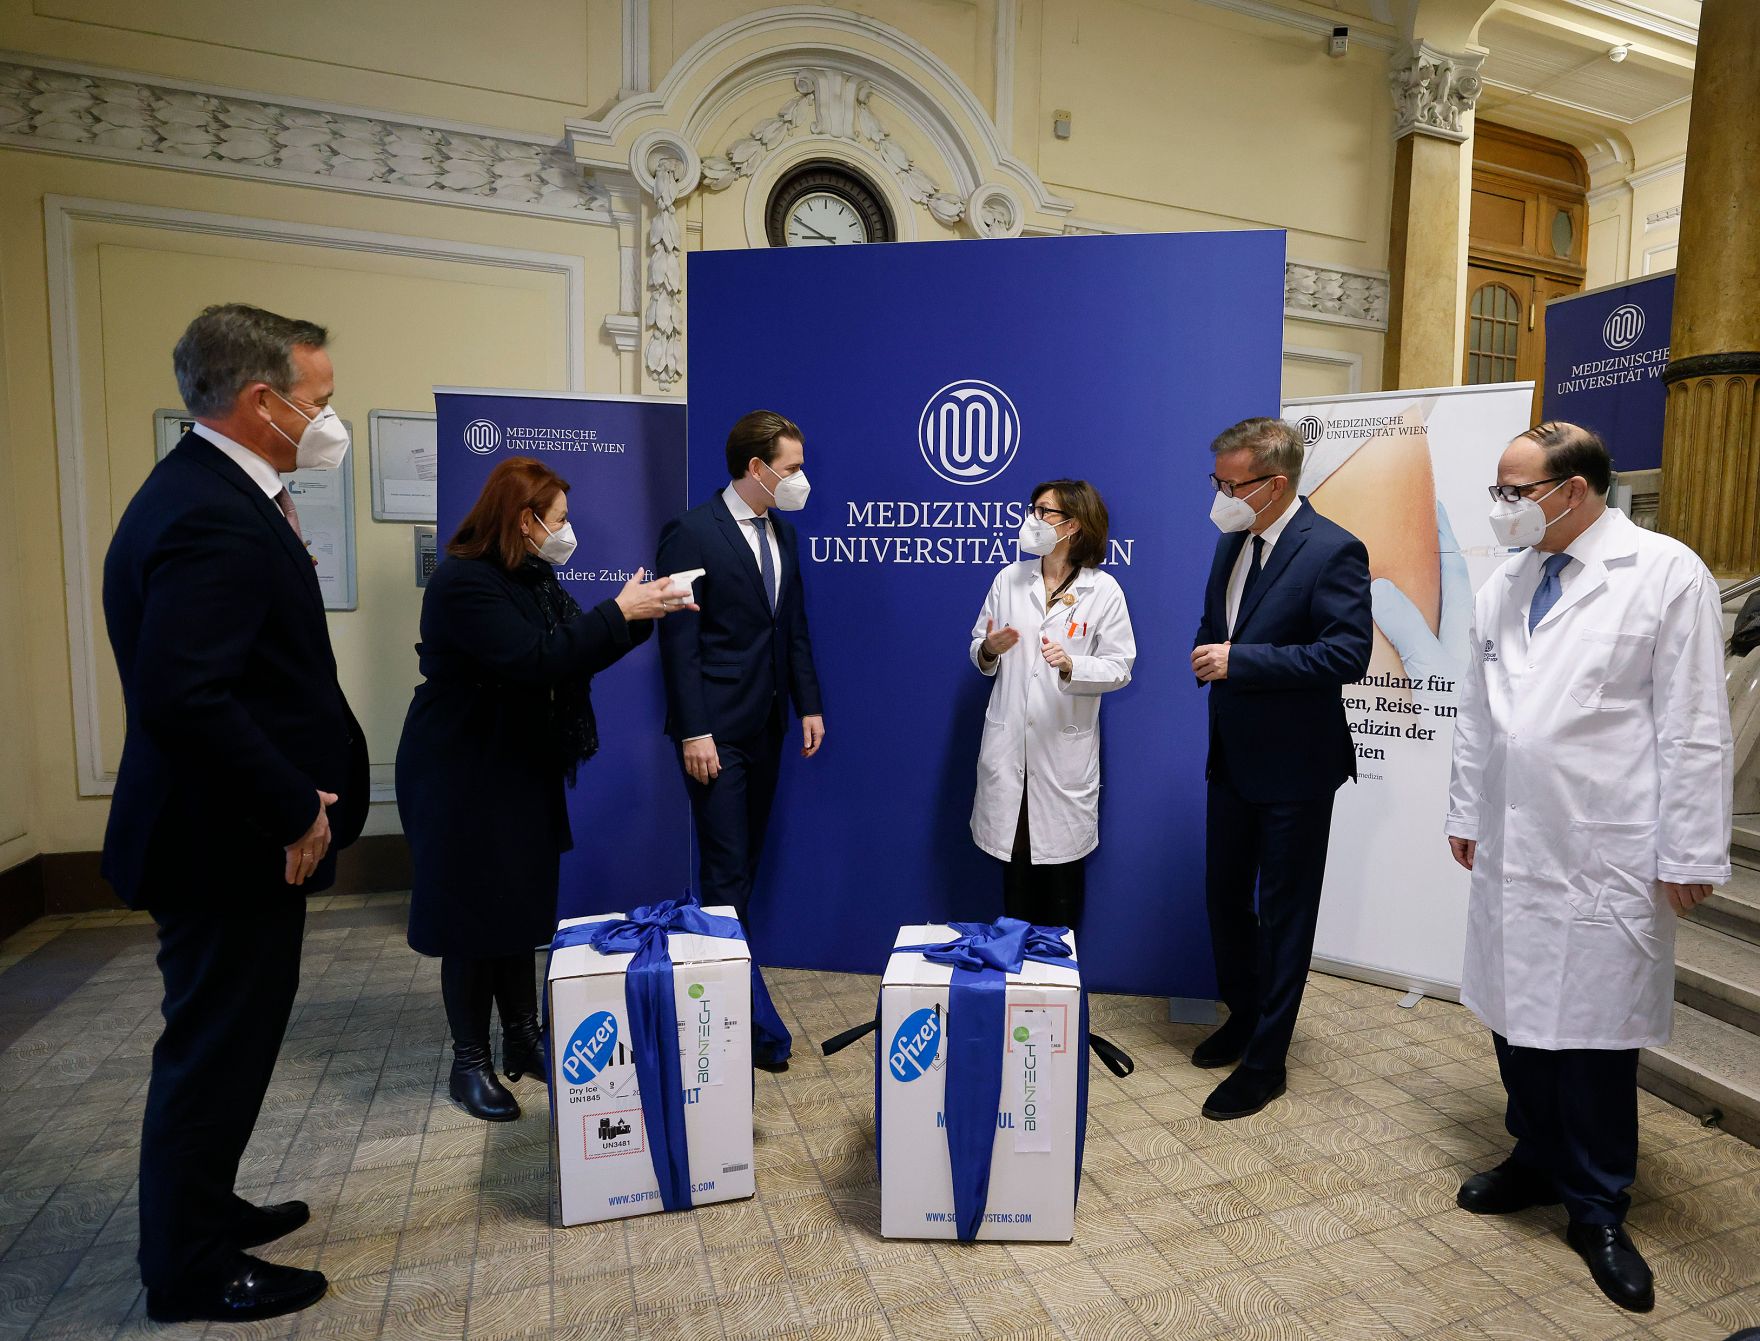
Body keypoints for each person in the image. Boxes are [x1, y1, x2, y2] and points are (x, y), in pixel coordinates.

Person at [101, 303, 369, 1323]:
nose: (329, 418)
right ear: (263, 401)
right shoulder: (210, 512)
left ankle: (205, 1208)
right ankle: (190, 1267)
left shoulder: (212, 492)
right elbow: (187, 695)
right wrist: (294, 804)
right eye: (320, 399)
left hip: (227, 836)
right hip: (226, 843)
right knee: (213, 1054)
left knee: (229, 1045)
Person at [1446, 421, 1732, 1314]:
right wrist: (1465, 810)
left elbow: (1693, 724)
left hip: (1606, 844)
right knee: (1514, 1014)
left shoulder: (1665, 573)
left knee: (1594, 1037)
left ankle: (1599, 1205)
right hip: (1512, 834)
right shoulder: (1507, 580)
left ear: (1574, 490)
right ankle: (1534, 1155)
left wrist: (1690, 847)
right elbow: (1479, 712)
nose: (1502, 506)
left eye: (1515, 491)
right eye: (1498, 489)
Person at [397, 457, 687, 1121]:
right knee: (472, 914)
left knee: (519, 903)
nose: (566, 530)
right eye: (558, 518)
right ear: (525, 520)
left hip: (517, 761)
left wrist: (643, 611)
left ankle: (523, 1037)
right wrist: (619, 610)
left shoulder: (529, 576)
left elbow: (574, 645)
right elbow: (537, 659)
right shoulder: (464, 582)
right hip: (462, 767)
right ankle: (469, 1061)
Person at [1191, 417, 1372, 1121]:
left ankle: (1266, 1063)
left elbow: (1346, 654)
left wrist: (1242, 661)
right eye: (1217, 482)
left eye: (1231, 485)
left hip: (1296, 766)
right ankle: (1244, 1016)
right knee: (1224, 898)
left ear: (1274, 484)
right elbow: (1219, 626)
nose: (1220, 497)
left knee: (1284, 915)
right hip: (1232, 757)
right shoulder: (1231, 540)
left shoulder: (1332, 549)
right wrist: (1212, 650)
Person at [656, 410, 825, 1071]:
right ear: (756, 468)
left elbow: (793, 627)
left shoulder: (783, 530)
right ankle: (750, 1024)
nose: (801, 479)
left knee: (742, 870)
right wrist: (694, 730)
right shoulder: (692, 531)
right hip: (715, 733)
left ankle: (717, 999)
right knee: (725, 874)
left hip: (769, 727)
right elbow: (679, 644)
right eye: (792, 468)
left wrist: (809, 704)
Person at [969, 479, 1136, 928]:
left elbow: (1120, 667)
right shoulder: (1009, 579)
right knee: (1015, 876)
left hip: (1062, 754)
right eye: (1033, 509)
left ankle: (1057, 969)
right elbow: (978, 646)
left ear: (1073, 525)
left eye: (1046, 512)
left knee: (1060, 884)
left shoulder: (1104, 590)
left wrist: (1071, 665)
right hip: (1010, 749)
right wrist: (989, 649)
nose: (1034, 519)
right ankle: (1015, 965)